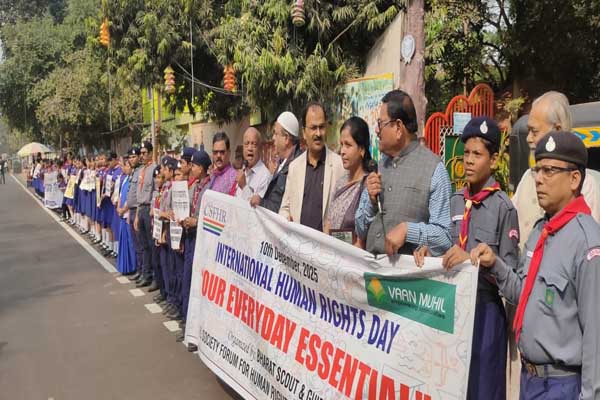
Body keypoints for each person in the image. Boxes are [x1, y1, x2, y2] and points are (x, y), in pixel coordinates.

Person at [471, 131, 600, 400]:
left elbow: (595, 336)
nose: (539, 179)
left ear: (574, 179)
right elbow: (523, 292)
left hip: (563, 385)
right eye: (537, 170)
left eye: (549, 171)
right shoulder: (541, 230)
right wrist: (495, 265)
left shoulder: (587, 243)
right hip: (530, 381)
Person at [414, 117, 520, 400]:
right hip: (452, 312)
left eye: (477, 154)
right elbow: (447, 247)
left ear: (493, 160)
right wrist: (430, 252)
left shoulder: (504, 209)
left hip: (485, 314)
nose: (469, 161)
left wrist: (483, 263)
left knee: (483, 390)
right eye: (466, 153)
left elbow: (513, 284)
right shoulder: (456, 201)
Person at [355, 89, 452, 256]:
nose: (377, 131)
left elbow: (444, 237)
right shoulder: (378, 167)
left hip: (407, 272)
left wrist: (408, 230)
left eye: (381, 124)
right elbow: (360, 230)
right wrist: (371, 202)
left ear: (398, 127)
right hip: (372, 269)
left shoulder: (434, 169)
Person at [513, 91, 600, 246]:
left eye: (534, 131)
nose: (528, 138)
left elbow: (587, 246)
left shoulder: (585, 184)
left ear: (558, 130)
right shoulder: (527, 177)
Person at [279, 102, 345, 231]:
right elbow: (285, 208)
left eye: (322, 127)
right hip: (298, 241)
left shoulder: (340, 166)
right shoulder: (294, 168)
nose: (318, 133)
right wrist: (286, 219)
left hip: (327, 242)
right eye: (313, 128)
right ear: (304, 132)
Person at [177, 149, 212, 344]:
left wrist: (196, 221)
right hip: (189, 236)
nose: (192, 168)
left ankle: (196, 329)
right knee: (187, 279)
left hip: (201, 238)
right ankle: (187, 322)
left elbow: (209, 215)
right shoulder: (195, 187)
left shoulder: (210, 188)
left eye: (195, 165)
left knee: (197, 282)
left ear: (202, 167)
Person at [324, 117, 370, 247]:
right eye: (341, 144)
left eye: (348, 145)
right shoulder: (340, 183)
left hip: (352, 256)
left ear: (362, 149)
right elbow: (328, 223)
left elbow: (362, 240)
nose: (342, 151)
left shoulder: (368, 186)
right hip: (330, 253)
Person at [255, 111, 303, 212]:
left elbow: (279, 207)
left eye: (276, 133)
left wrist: (260, 202)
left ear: (286, 138)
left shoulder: (296, 166)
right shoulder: (282, 163)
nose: (273, 138)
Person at [134, 141, 157, 288]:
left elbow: (156, 191)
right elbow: (139, 193)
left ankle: (154, 276)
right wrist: (137, 215)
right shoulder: (141, 170)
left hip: (149, 209)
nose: (141, 156)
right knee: (143, 245)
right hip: (141, 208)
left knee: (151, 245)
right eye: (140, 153)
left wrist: (153, 209)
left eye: (144, 153)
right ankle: (145, 273)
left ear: (150, 153)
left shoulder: (155, 169)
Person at [236, 127, 271, 202]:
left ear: (260, 148)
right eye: (246, 144)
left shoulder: (265, 176)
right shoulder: (242, 170)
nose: (250, 148)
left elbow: (258, 206)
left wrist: (244, 186)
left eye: (254, 144)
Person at [116, 157, 137, 275]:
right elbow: (120, 196)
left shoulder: (132, 180)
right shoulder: (125, 179)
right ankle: (126, 267)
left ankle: (134, 267)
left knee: (131, 243)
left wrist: (124, 210)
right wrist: (118, 208)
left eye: (126, 166)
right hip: (122, 214)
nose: (124, 168)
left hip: (128, 213)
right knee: (124, 241)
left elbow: (131, 198)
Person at [126, 147, 144, 281]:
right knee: (136, 244)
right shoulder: (133, 172)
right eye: (130, 157)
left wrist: (136, 214)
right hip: (131, 211)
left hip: (138, 210)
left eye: (134, 157)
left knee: (141, 244)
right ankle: (139, 269)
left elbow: (139, 195)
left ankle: (144, 271)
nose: (131, 159)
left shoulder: (141, 171)